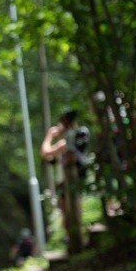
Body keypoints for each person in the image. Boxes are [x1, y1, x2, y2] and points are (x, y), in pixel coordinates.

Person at [40, 108, 90, 252]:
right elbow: (49, 157)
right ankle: (73, 238)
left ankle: (77, 239)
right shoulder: (67, 140)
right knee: (65, 210)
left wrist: (49, 136)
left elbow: (45, 151)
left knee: (73, 209)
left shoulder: (69, 140)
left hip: (71, 179)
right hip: (64, 179)